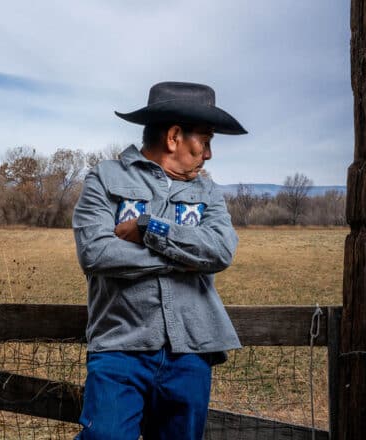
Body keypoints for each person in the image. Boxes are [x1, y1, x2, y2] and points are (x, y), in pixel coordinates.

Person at [72, 81, 247, 439]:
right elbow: (96, 252)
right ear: (173, 137)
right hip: (120, 348)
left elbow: (220, 251)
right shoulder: (105, 178)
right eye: (206, 140)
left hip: (191, 353)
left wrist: (149, 227)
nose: (209, 154)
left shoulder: (208, 192)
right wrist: (184, 259)